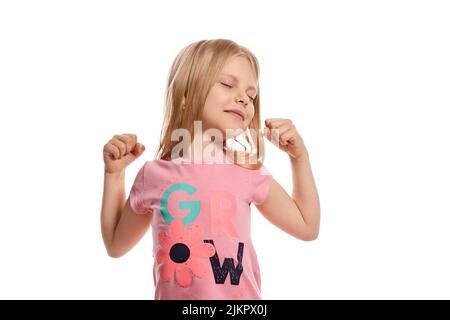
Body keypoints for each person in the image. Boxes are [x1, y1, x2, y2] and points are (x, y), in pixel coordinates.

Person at [100, 39, 321, 299]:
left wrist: (300, 157)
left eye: (251, 96)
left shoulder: (247, 172)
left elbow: (307, 227)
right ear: (185, 96)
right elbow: (115, 245)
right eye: (227, 84)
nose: (244, 99)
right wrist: (114, 175)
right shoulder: (154, 175)